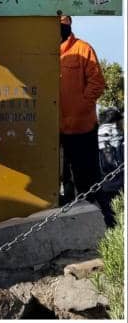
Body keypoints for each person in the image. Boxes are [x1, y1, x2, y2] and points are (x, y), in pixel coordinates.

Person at [58, 14, 115, 227]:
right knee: (64, 181)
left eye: (63, 25)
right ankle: (72, 224)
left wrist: (80, 107)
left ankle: (105, 223)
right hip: (55, 131)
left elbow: (97, 83)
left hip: (83, 129)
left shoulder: (83, 49)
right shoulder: (44, 52)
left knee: (89, 180)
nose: (60, 28)